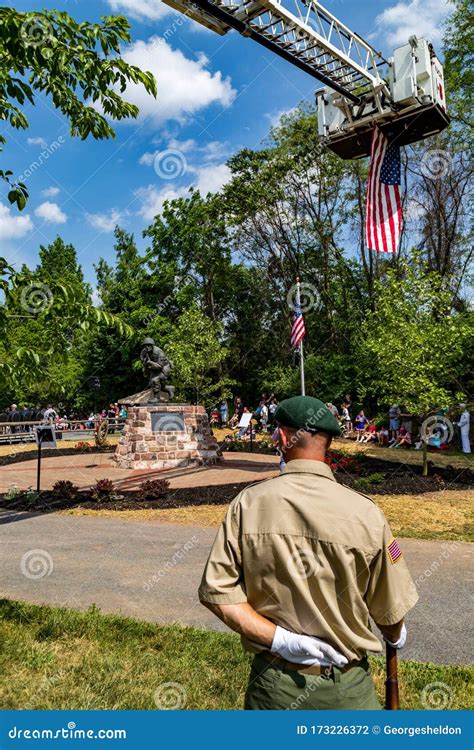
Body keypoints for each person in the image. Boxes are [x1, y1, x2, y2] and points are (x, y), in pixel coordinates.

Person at [199, 395, 418, 710]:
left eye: (277, 433)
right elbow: (390, 609)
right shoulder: (366, 512)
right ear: (327, 441)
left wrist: (282, 641)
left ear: (285, 438)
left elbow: (217, 593)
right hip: (347, 689)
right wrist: (395, 634)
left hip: (273, 687)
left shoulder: (247, 505)